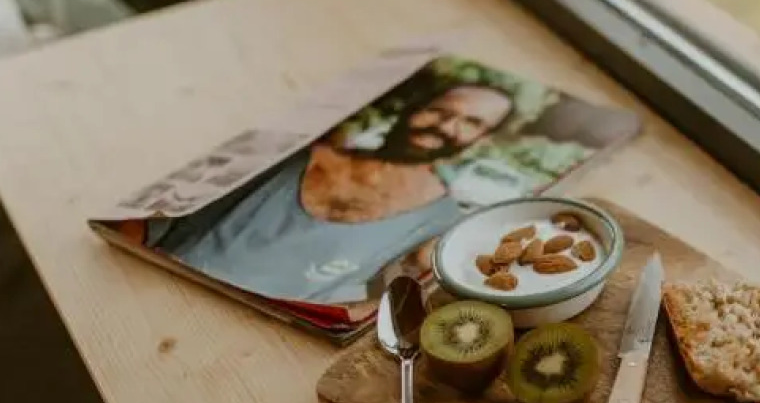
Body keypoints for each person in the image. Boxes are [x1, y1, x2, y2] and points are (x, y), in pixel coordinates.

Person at [149, 83, 515, 304]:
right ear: (413, 108)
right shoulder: (299, 152)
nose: (447, 126)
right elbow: (148, 221)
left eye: (471, 123)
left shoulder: (445, 223)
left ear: (480, 140)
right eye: (439, 110)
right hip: (157, 285)